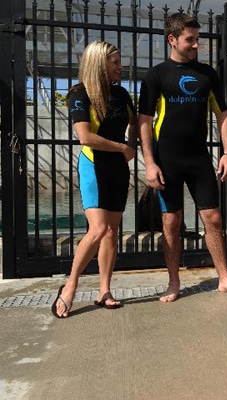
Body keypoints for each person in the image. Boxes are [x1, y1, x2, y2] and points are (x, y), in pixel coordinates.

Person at [138, 12, 227, 301]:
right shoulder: (156, 75)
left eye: (197, 39)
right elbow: (144, 121)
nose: (196, 45)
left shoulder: (208, 74)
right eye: (190, 40)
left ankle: (223, 276)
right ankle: (174, 282)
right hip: (167, 159)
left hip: (198, 157)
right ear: (172, 40)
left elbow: (223, 114)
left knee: (213, 217)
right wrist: (149, 162)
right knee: (171, 221)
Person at [51, 41, 138, 318]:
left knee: (112, 232)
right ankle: (71, 286)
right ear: (100, 63)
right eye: (115, 62)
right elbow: (85, 137)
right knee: (98, 229)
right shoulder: (79, 94)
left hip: (118, 170)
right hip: (94, 166)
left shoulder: (122, 94)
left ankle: (104, 291)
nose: (120, 66)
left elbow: (135, 123)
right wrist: (122, 147)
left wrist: (132, 144)